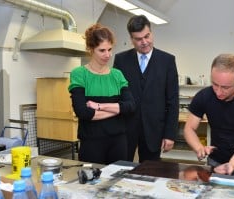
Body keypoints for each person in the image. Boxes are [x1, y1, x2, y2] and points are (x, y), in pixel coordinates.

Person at [113, 15, 179, 163]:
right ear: (131, 39)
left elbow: (173, 101)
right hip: (125, 129)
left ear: (151, 32)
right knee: (121, 170)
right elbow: (116, 97)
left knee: (150, 174)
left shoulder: (167, 61)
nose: (144, 42)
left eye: (147, 36)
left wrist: (169, 134)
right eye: (138, 39)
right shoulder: (121, 60)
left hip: (154, 130)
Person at [68, 24, 135, 165]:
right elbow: (83, 112)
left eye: (110, 49)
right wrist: (117, 110)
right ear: (91, 50)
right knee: (91, 184)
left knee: (118, 182)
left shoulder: (117, 75)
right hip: (92, 143)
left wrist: (99, 106)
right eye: (102, 50)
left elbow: (130, 106)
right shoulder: (79, 74)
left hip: (119, 142)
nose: (108, 55)